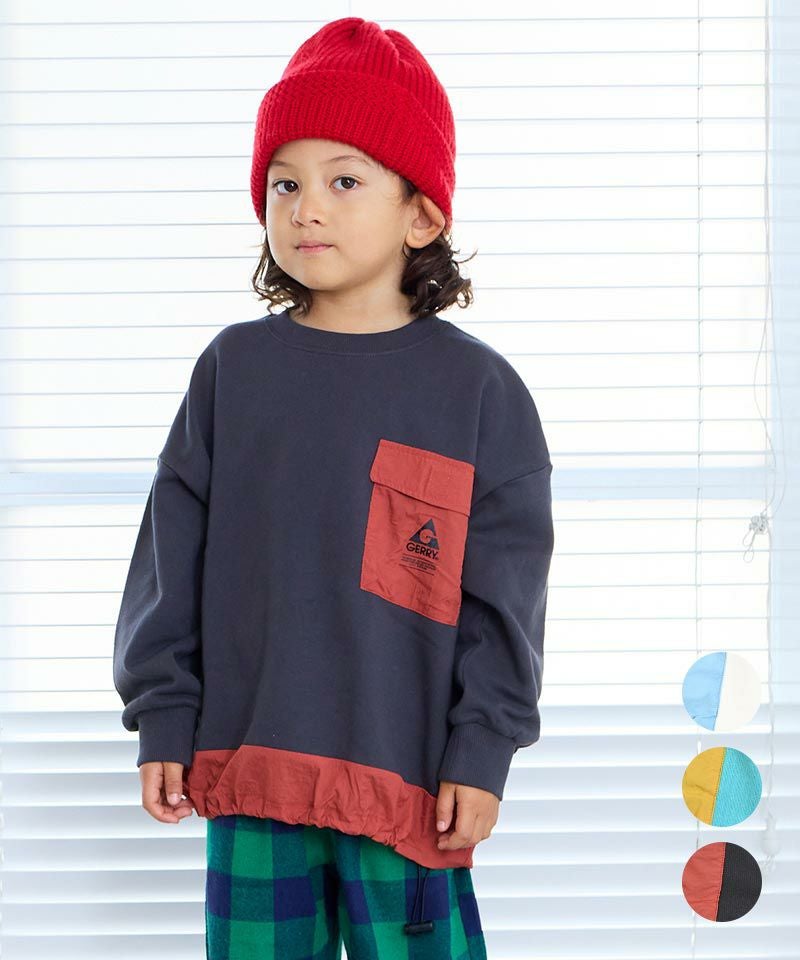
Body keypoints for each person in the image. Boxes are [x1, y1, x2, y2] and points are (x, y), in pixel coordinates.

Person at [113, 16, 554, 960]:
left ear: (421, 215)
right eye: (286, 183)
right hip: (254, 771)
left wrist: (484, 749)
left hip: (409, 788)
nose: (307, 207)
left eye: (344, 181)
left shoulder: (479, 392)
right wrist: (163, 715)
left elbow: (506, 600)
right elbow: (168, 562)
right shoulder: (233, 371)